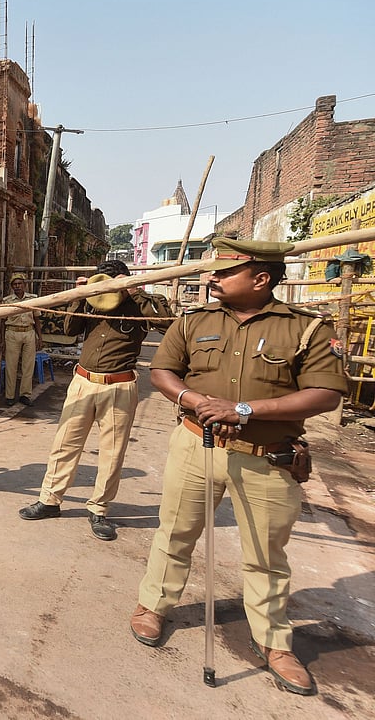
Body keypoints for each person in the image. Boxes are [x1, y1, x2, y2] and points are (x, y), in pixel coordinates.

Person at [130, 239, 346, 696]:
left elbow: (326, 393)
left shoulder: (305, 329)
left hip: (267, 457)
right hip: (197, 444)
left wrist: (244, 410)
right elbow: (163, 372)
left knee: (266, 555)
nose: (212, 278)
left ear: (261, 279)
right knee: (175, 532)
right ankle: (154, 605)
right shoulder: (194, 321)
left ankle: (273, 641)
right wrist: (193, 400)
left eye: (225, 272)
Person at [18, 260, 173, 541]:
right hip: (83, 382)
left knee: (112, 452)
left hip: (119, 385)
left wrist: (133, 290)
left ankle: (99, 509)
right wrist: (80, 296)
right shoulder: (93, 301)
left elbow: (166, 323)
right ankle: (49, 500)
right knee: (64, 444)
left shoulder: (140, 304)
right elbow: (69, 330)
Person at [0, 272, 43, 405]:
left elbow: (36, 318)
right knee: (11, 366)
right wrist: (2, 339)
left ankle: (25, 395)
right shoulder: (7, 301)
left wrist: (39, 337)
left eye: (20, 284)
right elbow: (2, 321)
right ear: (12, 286)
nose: (17, 286)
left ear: (24, 285)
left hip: (29, 332)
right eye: (15, 284)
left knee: (28, 366)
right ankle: (10, 396)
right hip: (12, 333)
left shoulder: (32, 299)